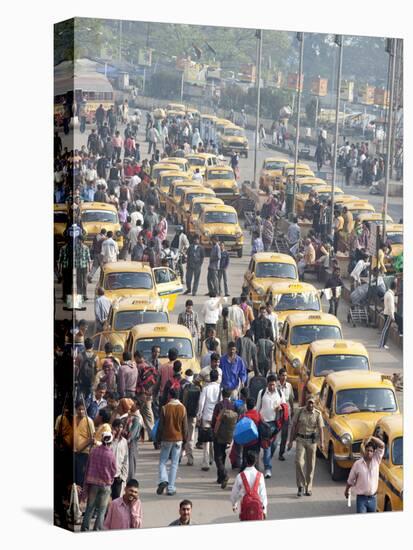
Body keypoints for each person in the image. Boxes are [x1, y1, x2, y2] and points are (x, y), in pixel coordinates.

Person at [287, 395, 324, 496]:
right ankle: (301, 485)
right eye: (309, 402)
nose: (311, 405)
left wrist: (322, 442)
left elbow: (321, 429)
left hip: (312, 441)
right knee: (298, 462)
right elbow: (293, 426)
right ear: (306, 403)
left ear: (314, 404)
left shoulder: (317, 414)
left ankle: (308, 488)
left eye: (312, 403)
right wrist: (290, 441)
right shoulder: (299, 411)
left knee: (311, 465)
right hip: (300, 440)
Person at [81, 431, 117, 531]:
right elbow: (114, 470)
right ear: (110, 441)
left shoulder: (94, 451)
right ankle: (96, 530)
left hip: (93, 484)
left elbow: (87, 466)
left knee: (89, 508)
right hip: (105, 485)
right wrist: (110, 479)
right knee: (102, 510)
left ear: (102, 439)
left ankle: (85, 529)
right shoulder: (111, 455)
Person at [156, 387, 188, 496]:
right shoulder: (183, 408)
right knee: (174, 464)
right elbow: (185, 427)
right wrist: (185, 441)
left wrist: (157, 439)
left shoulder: (165, 408)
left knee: (162, 461)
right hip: (178, 439)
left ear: (170, 396)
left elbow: (160, 427)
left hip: (166, 438)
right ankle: (171, 488)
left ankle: (163, 480)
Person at [345, 436, 385, 513]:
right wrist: (346, 491)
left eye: (371, 451)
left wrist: (371, 437)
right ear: (364, 451)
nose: (369, 452)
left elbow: (382, 445)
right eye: (367, 450)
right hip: (361, 499)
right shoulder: (357, 464)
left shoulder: (376, 460)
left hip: (373, 499)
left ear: (374, 452)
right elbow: (350, 480)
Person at [256, 374, 284, 478]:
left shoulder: (280, 393)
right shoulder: (262, 393)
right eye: (270, 385)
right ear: (267, 384)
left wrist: (280, 408)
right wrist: (258, 419)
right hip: (264, 424)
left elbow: (284, 406)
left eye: (273, 385)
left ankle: (266, 459)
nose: (272, 387)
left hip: (275, 424)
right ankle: (268, 468)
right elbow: (257, 408)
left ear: (276, 384)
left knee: (275, 445)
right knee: (267, 447)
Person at [211, 387, 237, 488]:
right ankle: (220, 478)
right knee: (223, 454)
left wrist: (213, 429)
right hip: (228, 435)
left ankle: (224, 474)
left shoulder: (219, 405)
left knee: (217, 456)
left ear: (222, 394)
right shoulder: (232, 405)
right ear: (230, 395)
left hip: (218, 434)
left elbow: (214, 419)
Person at [231, 450, 267, 521]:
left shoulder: (240, 476)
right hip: (257, 509)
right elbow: (263, 494)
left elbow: (234, 493)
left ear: (245, 460)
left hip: (245, 508)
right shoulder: (260, 476)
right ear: (255, 461)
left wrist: (234, 504)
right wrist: (264, 510)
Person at [197, 369, 221, 470]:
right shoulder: (220, 389)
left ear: (210, 378)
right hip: (216, 417)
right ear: (218, 378)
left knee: (206, 439)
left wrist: (199, 414)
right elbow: (220, 403)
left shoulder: (206, 388)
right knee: (214, 438)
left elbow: (201, 402)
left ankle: (206, 462)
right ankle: (212, 458)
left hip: (206, 415)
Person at [74, 400, 95, 487]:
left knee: (81, 478)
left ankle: (81, 497)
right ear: (76, 410)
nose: (81, 411)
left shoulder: (89, 421)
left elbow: (92, 439)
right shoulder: (73, 419)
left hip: (84, 454)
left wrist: (81, 448)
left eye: (83, 409)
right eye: (79, 409)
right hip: (73, 452)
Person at [124, 399, 143, 481]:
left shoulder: (137, 418)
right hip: (129, 442)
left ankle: (130, 481)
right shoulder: (131, 415)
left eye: (133, 404)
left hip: (132, 443)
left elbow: (133, 434)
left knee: (131, 462)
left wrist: (127, 440)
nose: (130, 405)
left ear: (138, 406)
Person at [277, 368, 294, 460]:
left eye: (285, 375)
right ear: (279, 376)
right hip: (276, 413)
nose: (284, 377)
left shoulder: (289, 386)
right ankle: (269, 450)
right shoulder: (275, 386)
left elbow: (291, 399)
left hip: (286, 413)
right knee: (274, 433)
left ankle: (281, 453)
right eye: (282, 375)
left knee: (284, 434)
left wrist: (292, 410)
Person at [110, 419, 129, 499]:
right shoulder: (108, 440)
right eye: (117, 427)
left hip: (118, 477)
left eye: (121, 427)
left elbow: (125, 460)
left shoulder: (124, 442)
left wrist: (123, 477)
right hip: (107, 476)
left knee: (117, 499)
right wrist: (113, 438)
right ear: (113, 428)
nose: (119, 429)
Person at [379, 280, 396, 349]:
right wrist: (392, 316)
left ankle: (382, 344)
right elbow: (391, 307)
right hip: (389, 314)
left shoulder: (387, 293)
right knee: (385, 330)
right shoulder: (391, 295)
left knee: (385, 329)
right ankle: (382, 344)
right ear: (394, 288)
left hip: (386, 312)